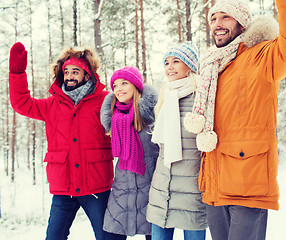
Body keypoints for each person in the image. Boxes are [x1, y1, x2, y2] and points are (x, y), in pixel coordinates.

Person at [184, 0, 286, 239]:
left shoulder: (262, 57)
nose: (218, 24)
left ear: (242, 21)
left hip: (247, 184)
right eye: (213, 19)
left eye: (226, 17)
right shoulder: (212, 66)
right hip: (214, 186)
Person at [8, 42, 114, 240]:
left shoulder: (104, 101)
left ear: (87, 74)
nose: (70, 76)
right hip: (64, 187)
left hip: (96, 186)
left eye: (75, 71)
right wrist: (17, 73)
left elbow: (128, 116)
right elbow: (22, 103)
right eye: (66, 72)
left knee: (109, 237)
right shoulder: (52, 105)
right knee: (54, 237)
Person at [146, 41, 207, 240]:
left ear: (189, 65)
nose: (169, 67)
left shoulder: (201, 98)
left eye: (176, 61)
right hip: (162, 188)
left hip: (192, 189)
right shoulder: (165, 96)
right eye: (166, 62)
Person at [100, 66, 159, 240]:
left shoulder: (153, 115)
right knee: (111, 234)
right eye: (115, 85)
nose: (119, 89)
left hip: (150, 190)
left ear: (136, 86)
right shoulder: (112, 117)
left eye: (124, 83)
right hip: (121, 191)